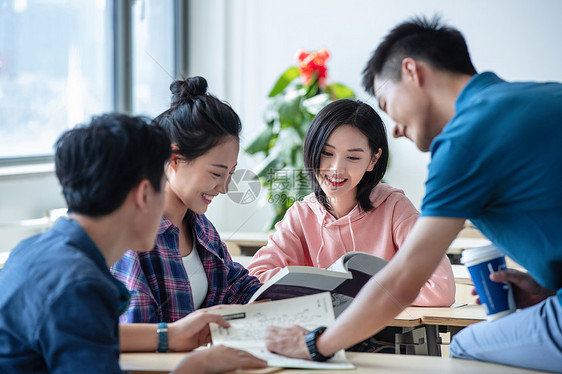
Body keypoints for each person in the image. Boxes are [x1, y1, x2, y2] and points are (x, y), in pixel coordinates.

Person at [263, 15, 562, 373]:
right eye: (326, 153)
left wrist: (316, 344)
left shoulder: (463, 141)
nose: (396, 129)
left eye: (387, 104)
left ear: (412, 72)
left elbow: (407, 279)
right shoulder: (540, 97)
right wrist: (547, 289)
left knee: (466, 347)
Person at [0, 113, 266, 373]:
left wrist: (170, 335)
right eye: (163, 189)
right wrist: (195, 367)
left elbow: (88, 333)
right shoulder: (80, 285)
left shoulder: (31, 251)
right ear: (144, 194)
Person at [247, 99, 454, 310]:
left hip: (384, 337)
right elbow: (255, 279)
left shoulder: (395, 208)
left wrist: (355, 292)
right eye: (327, 153)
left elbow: (440, 289)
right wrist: (329, 287)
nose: (336, 169)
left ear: (373, 160)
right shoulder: (301, 215)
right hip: (318, 335)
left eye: (353, 157)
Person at [111, 76, 261, 324]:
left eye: (230, 174)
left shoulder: (201, 228)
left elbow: (237, 287)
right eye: (216, 173)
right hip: (172, 364)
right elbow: (139, 332)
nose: (224, 188)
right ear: (174, 159)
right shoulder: (133, 239)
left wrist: (286, 293)